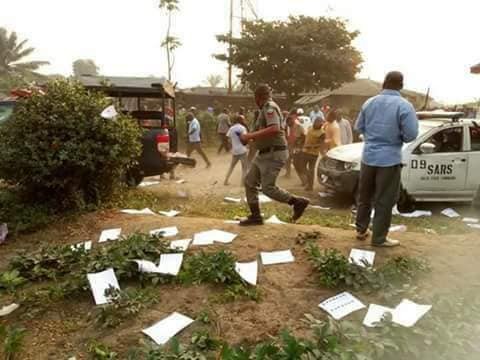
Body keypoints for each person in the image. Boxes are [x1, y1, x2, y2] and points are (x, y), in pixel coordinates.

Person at [355, 71, 418, 247]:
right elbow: (411, 135)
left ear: (383, 83)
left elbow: (358, 127)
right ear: (401, 85)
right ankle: (379, 238)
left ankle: (361, 230)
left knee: (364, 196)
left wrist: (373, 135)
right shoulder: (404, 105)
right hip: (389, 159)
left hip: (368, 156)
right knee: (384, 199)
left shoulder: (369, 102)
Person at [239, 84, 310, 226]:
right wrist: (250, 138)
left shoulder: (269, 107)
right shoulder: (263, 110)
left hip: (273, 153)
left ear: (258, 97)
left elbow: (274, 128)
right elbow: (265, 132)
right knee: (250, 182)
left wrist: (250, 135)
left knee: (267, 188)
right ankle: (256, 216)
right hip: (264, 153)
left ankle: (297, 202)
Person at [298, 117, 326, 191]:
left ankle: (310, 186)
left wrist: (310, 146)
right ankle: (309, 180)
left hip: (313, 154)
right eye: (317, 122)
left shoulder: (322, 133)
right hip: (305, 151)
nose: (319, 124)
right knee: (302, 167)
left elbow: (320, 144)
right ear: (315, 122)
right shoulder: (310, 127)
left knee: (311, 169)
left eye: (320, 123)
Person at [224, 115, 248, 185]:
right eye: (243, 120)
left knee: (231, 167)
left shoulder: (231, 128)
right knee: (244, 167)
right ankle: (242, 183)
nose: (244, 121)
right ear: (240, 120)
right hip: (242, 150)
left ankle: (226, 180)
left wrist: (231, 146)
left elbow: (228, 139)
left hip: (235, 151)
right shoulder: (243, 128)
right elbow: (245, 138)